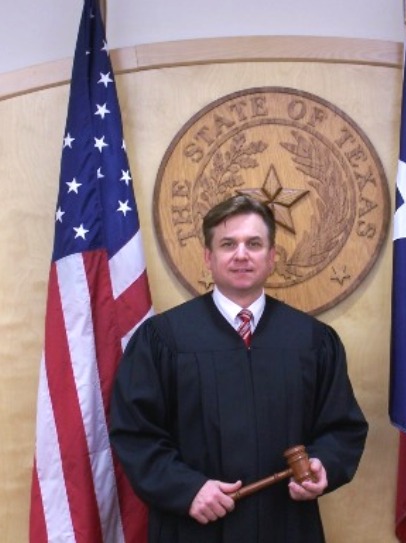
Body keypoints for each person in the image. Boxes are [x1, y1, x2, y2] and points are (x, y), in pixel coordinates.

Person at [109, 195, 368, 543]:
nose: (241, 254)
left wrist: (324, 465)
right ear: (208, 257)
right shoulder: (163, 340)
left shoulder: (313, 341)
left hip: (287, 526)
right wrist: (186, 489)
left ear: (272, 256)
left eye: (255, 244)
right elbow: (136, 434)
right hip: (193, 529)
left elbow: (342, 427)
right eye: (228, 244)